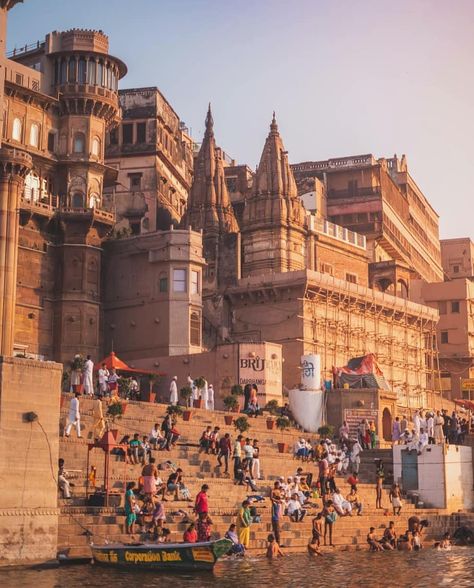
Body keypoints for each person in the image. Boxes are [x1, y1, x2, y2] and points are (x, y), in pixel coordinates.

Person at [270, 481, 283, 545]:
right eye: (277, 485)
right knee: (276, 531)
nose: (278, 486)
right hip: (274, 518)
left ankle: (277, 543)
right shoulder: (274, 504)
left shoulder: (278, 505)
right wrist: (277, 500)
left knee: (277, 531)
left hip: (277, 518)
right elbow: (271, 498)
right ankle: (277, 543)